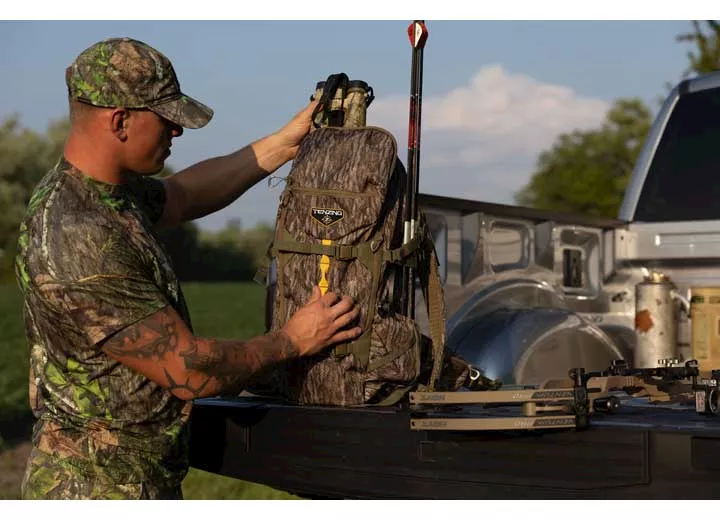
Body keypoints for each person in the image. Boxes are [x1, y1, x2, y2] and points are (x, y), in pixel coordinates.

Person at [14, 36, 362, 500]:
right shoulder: (78, 233)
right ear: (120, 121)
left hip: (133, 480)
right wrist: (293, 339)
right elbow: (189, 369)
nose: (177, 133)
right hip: (97, 489)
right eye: (167, 120)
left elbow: (185, 195)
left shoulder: (109, 194)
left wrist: (284, 143)